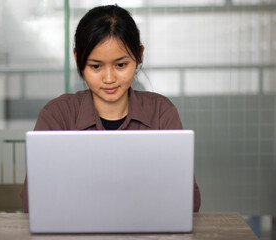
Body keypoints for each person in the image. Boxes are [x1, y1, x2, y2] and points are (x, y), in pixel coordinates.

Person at [20, 4, 201, 213]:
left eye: (121, 65)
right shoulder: (57, 116)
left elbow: (188, 201)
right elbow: (33, 200)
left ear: (139, 55)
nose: (109, 79)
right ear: (78, 59)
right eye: (96, 66)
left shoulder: (161, 113)